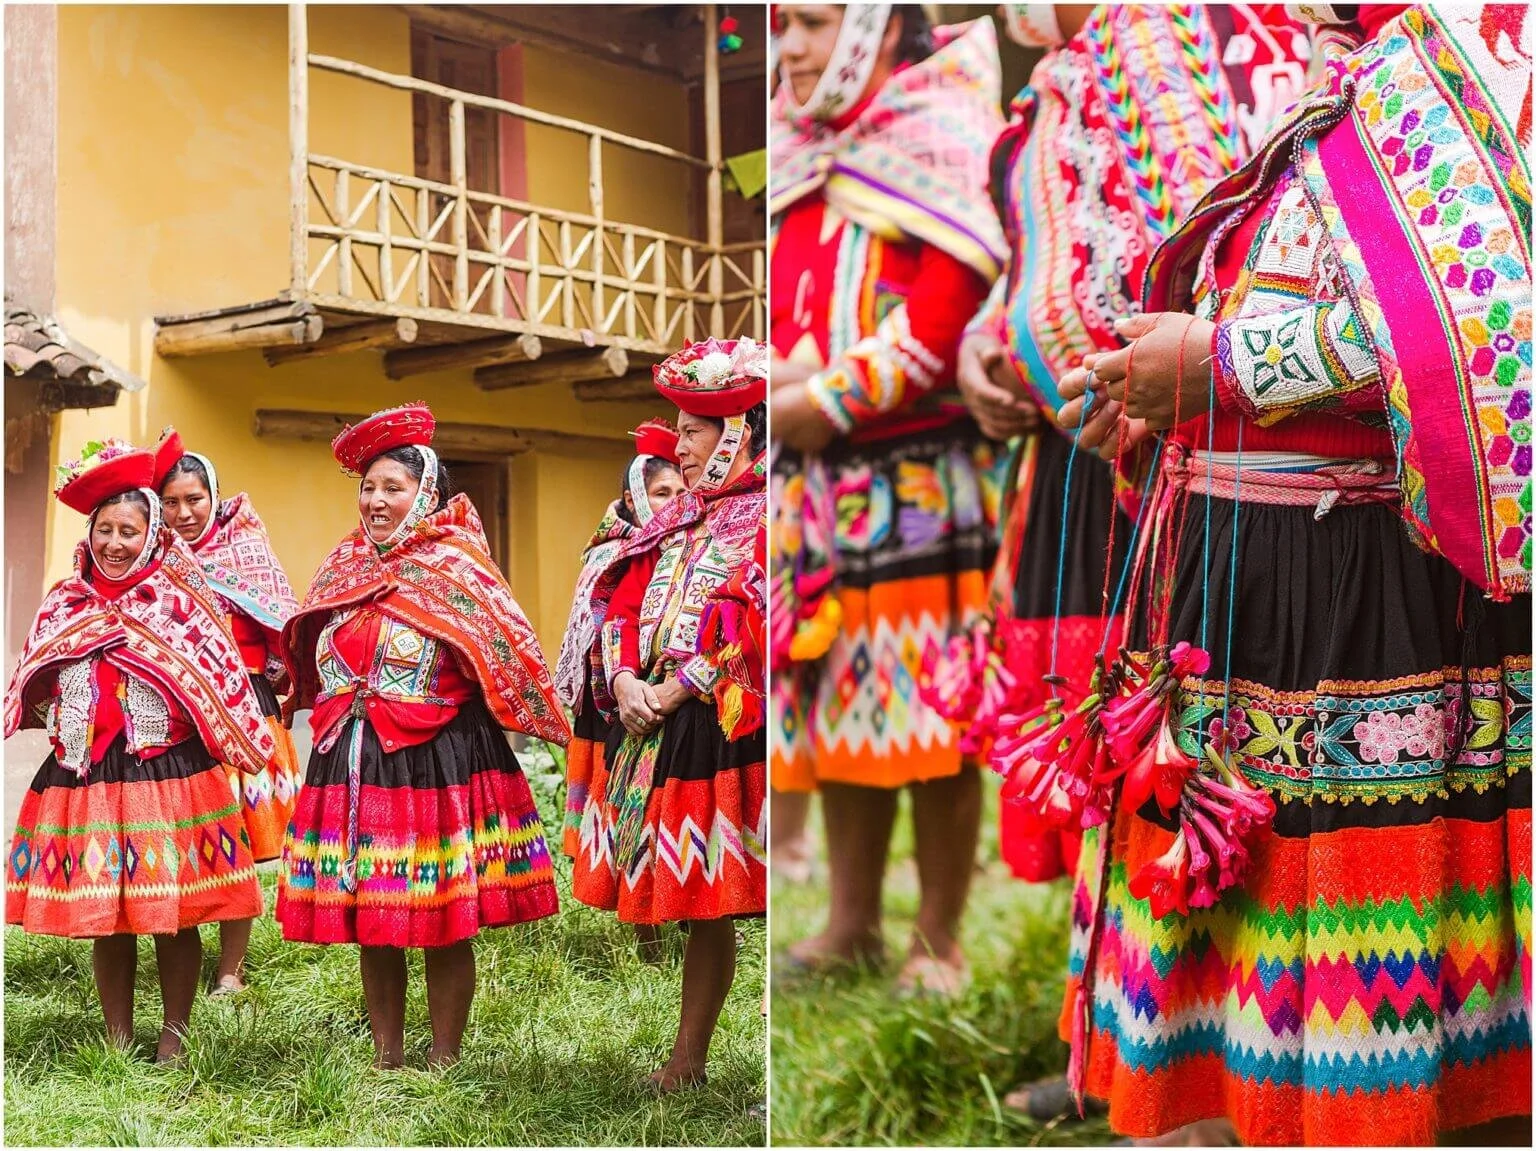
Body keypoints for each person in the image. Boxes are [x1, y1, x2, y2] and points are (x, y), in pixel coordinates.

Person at [1036, 5, 1531, 1143]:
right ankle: (1242, 1100)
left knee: (1374, 974)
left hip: (1379, 569)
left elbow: (1496, 319)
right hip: (1238, 548)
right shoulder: (1349, 56)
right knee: (1238, 889)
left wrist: (1230, 362)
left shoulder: (1500, 43)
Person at [769, 2, 1010, 995]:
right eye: (779, 26)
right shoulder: (796, 154)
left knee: (933, 715)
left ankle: (938, 938)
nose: (788, 48)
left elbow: (946, 310)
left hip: (918, 474)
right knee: (838, 706)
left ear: (876, 25)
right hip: (818, 486)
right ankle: (851, 920)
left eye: (814, 23)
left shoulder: (943, 133)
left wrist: (827, 397)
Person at [276, 404, 570, 1069]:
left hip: (435, 761)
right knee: (372, 919)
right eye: (368, 487)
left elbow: (504, 649)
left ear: (426, 495)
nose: (376, 501)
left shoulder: (456, 566)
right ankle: (386, 1055)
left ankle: (443, 1055)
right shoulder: (345, 564)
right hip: (352, 756)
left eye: (393, 488)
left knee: (439, 915)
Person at [4, 438, 272, 1062]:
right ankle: (118, 1039)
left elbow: (218, 678)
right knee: (110, 914)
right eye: (105, 530)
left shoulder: (176, 605)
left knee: (171, 913)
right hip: (86, 774)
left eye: (130, 531)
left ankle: (173, 1039)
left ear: (152, 538)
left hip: (165, 773)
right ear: (89, 533)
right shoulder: (65, 603)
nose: (115, 544)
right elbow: (35, 675)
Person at [575, 336, 768, 1091]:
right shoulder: (677, 519)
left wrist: (682, 683)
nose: (679, 446)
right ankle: (689, 1058)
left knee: (748, 885)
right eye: (682, 430)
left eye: (693, 431)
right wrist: (624, 677)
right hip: (664, 723)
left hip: (730, 722)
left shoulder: (767, 518)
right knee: (705, 901)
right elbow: (622, 601)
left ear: (737, 434)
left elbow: (766, 618)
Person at [155, 428, 301, 995]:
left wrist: (278, 669)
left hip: (243, 712)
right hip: (180, 716)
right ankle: (181, 949)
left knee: (235, 839)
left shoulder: (246, 551)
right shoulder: (156, 559)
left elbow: (283, 630)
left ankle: (230, 970)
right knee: (192, 836)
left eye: (194, 499)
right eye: (171, 502)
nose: (184, 512)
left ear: (213, 496)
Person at [553, 419, 684, 962]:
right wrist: (625, 680)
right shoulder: (612, 554)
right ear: (634, 499)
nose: (676, 500)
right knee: (633, 809)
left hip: (678, 693)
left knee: (673, 813)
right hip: (616, 703)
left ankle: (690, 914)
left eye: (682, 490)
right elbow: (605, 623)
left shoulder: (696, 544)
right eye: (661, 492)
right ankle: (646, 935)